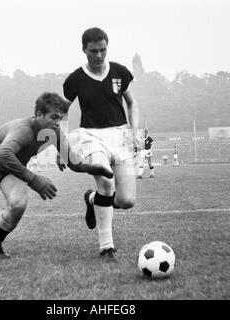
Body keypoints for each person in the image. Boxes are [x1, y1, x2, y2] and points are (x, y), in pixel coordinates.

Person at [0, 92, 113, 258]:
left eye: (61, 119)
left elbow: (74, 163)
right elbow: (1, 154)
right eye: (54, 117)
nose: (58, 123)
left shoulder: (54, 132)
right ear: (38, 115)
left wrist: (96, 168)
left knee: (18, 204)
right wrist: (34, 180)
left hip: (12, 169)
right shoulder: (23, 130)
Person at [63, 27, 139, 261]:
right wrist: (62, 145)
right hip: (91, 136)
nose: (98, 55)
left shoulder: (119, 72)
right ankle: (106, 247)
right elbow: (62, 114)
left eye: (102, 50)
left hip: (120, 136)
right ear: (84, 49)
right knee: (106, 184)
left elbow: (132, 103)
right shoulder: (75, 79)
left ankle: (91, 199)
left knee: (126, 201)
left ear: (107, 47)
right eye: (93, 51)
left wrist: (134, 132)